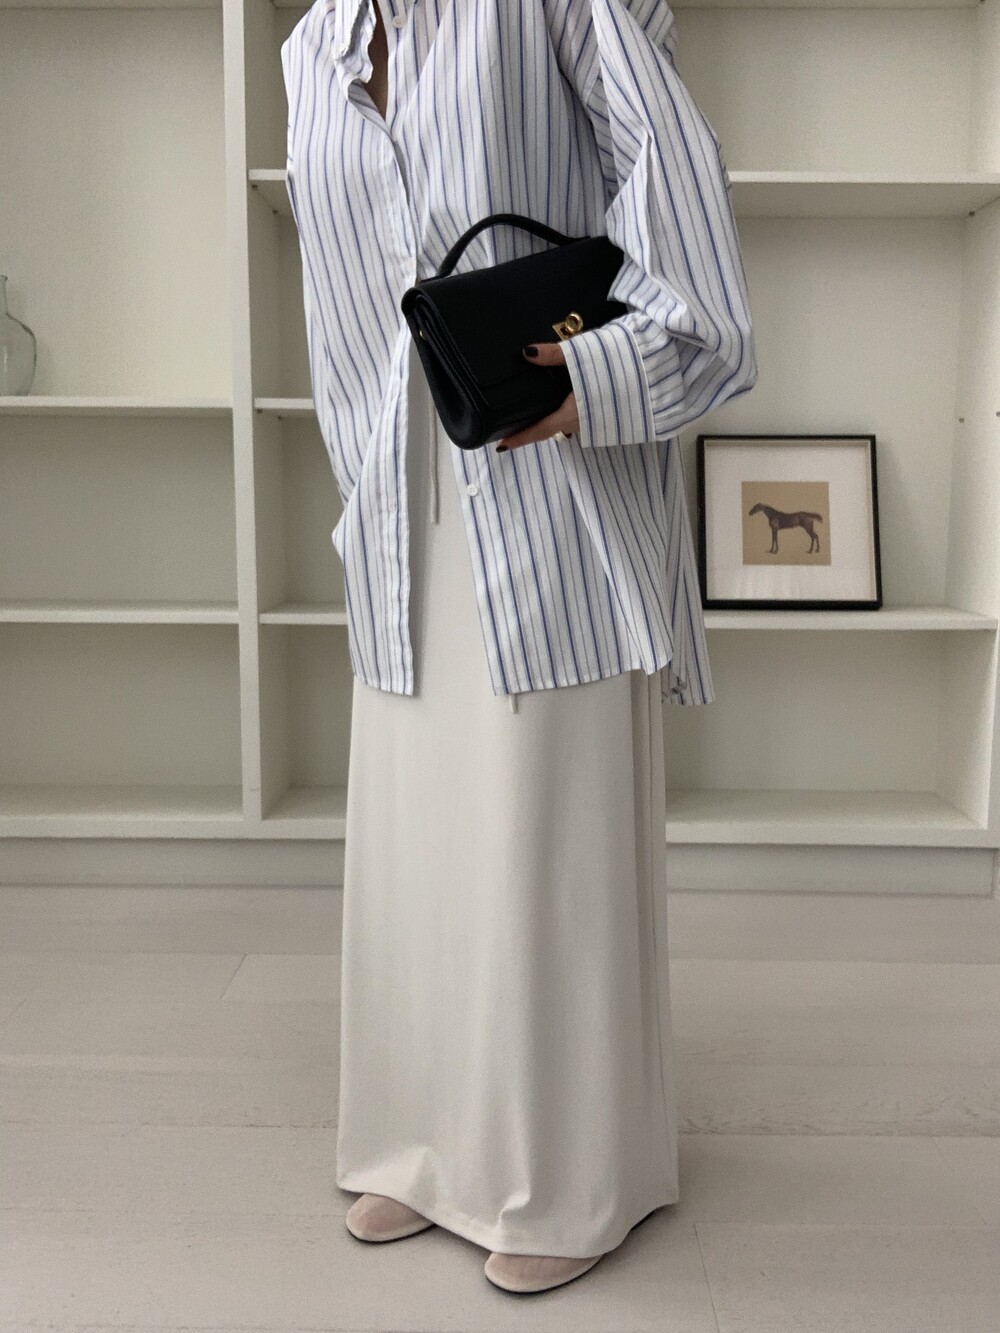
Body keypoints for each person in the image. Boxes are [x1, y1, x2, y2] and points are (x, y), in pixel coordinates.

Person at [281, 0, 757, 1296]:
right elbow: (339, 303)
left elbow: (675, 183)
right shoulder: (313, 47)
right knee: (417, 841)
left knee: (545, 838)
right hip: (402, 500)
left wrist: (603, 377)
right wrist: (361, 485)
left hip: (554, 478)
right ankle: (423, 1141)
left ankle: (571, 1171)